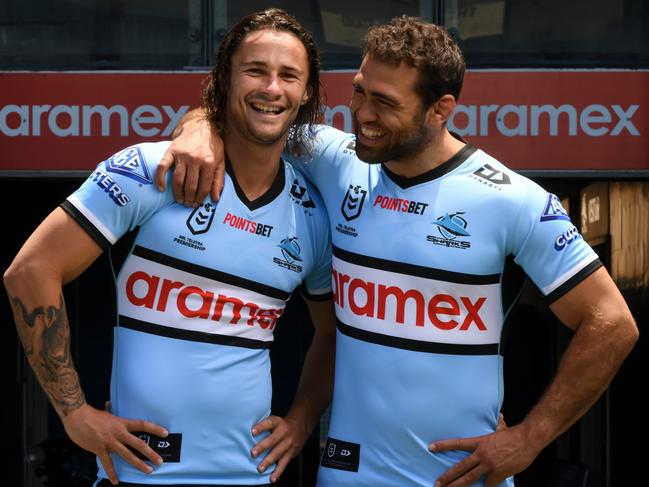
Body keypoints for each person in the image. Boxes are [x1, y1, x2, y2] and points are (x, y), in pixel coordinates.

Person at [160, 15, 638, 487]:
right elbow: (249, 114)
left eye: (385, 103)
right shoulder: (333, 157)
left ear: (440, 109)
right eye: (360, 91)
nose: (363, 115)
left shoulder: (512, 199)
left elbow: (612, 324)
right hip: (347, 474)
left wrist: (530, 438)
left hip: (458, 478)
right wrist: (198, 126)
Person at [4, 8, 337, 487]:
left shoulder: (312, 213)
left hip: (249, 476)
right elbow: (30, 271)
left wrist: (302, 421)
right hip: (142, 474)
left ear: (306, 92)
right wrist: (74, 416)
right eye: (255, 71)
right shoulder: (152, 169)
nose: (271, 88)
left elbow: (331, 333)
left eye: (289, 75)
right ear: (223, 79)